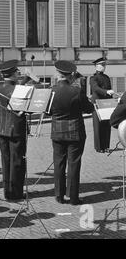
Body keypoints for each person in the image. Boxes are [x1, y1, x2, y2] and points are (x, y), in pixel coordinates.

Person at [50, 60, 94, 205]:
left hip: (57, 132)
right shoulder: (77, 91)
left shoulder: (51, 90)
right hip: (75, 131)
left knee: (58, 163)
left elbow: (48, 111)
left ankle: (59, 195)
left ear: (58, 74)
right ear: (71, 75)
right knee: (74, 163)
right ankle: (73, 197)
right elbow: (88, 109)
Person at [0, 60, 28, 201]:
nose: (18, 75)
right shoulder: (16, 90)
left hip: (2, 129)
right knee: (17, 161)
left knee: (5, 161)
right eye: (17, 73)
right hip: (16, 129)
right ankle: (16, 193)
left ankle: (7, 191)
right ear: (13, 74)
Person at [90, 57, 115, 153]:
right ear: (96, 66)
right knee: (98, 126)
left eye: (104, 65)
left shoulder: (107, 77)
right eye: (102, 65)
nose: (104, 67)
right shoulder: (93, 78)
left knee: (106, 126)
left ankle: (106, 146)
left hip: (106, 104)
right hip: (97, 104)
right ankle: (99, 147)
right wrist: (106, 91)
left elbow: (109, 89)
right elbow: (96, 89)